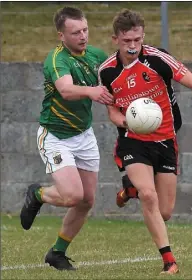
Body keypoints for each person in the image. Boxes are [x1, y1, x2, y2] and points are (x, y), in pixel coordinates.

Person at [98, 9, 192, 275]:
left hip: (166, 140)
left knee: (165, 211)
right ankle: (169, 261)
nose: (133, 46)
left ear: (143, 36)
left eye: (137, 39)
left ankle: (129, 191)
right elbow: (111, 110)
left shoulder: (158, 59)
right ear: (116, 40)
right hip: (132, 140)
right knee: (149, 196)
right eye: (127, 41)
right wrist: (126, 122)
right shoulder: (107, 71)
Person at [20, 6, 113, 271]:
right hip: (55, 136)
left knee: (87, 201)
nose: (82, 36)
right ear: (62, 35)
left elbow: (114, 81)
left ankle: (57, 253)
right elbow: (66, 90)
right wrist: (93, 91)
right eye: (75, 32)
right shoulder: (56, 58)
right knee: (73, 196)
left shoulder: (96, 55)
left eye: (85, 30)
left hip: (84, 135)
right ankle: (37, 194)